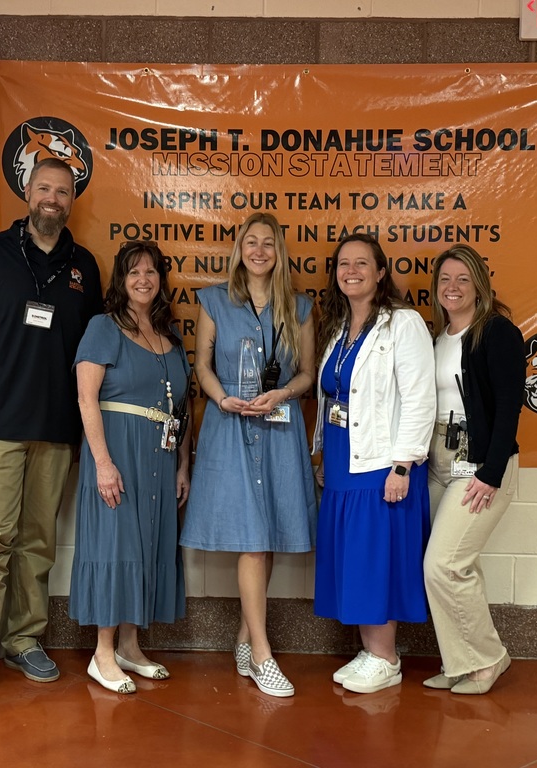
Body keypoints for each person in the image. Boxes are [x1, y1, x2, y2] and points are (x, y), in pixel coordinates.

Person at [0, 157, 104, 693]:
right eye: (44, 188)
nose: (52, 199)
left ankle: (24, 640)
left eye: (62, 191)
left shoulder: (85, 266)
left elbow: (95, 353)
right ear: (27, 192)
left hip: (56, 429)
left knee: (38, 541)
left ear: (71, 199)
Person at [181, 212, 317, 698]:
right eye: (250, 242)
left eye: (268, 243)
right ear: (239, 249)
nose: (259, 250)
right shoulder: (215, 299)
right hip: (230, 423)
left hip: (278, 427)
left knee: (271, 533)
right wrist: (221, 399)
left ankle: (244, 637)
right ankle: (262, 654)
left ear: (279, 252)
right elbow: (201, 363)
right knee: (253, 539)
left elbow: (306, 372)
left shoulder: (299, 306)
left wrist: (283, 395)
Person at [312, 234, 436, 694]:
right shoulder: (339, 327)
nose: (352, 271)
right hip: (345, 461)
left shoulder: (402, 324)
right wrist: (321, 451)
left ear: (381, 273)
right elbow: (333, 398)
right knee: (353, 559)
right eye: (344, 264)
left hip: (383, 463)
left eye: (362, 263)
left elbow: (421, 399)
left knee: (375, 559)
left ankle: (386, 657)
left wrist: (403, 466)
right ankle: (370, 652)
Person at [70, 241, 191, 694]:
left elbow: (182, 408)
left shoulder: (169, 336)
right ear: (121, 280)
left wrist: (183, 464)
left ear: (161, 280)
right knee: (116, 545)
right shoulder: (104, 327)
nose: (143, 279)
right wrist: (103, 463)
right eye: (133, 272)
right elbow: (86, 398)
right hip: (117, 454)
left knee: (148, 546)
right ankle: (102, 655)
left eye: (152, 272)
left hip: (159, 458)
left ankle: (130, 646)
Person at [423, 243, 525, 695]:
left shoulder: (496, 331)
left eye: (463, 279)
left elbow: (509, 406)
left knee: (442, 564)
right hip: (437, 460)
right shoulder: (438, 337)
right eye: (445, 279)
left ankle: (488, 659)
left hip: (480, 462)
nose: (453, 287)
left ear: (480, 285)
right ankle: (460, 660)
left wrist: (491, 472)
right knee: (460, 565)